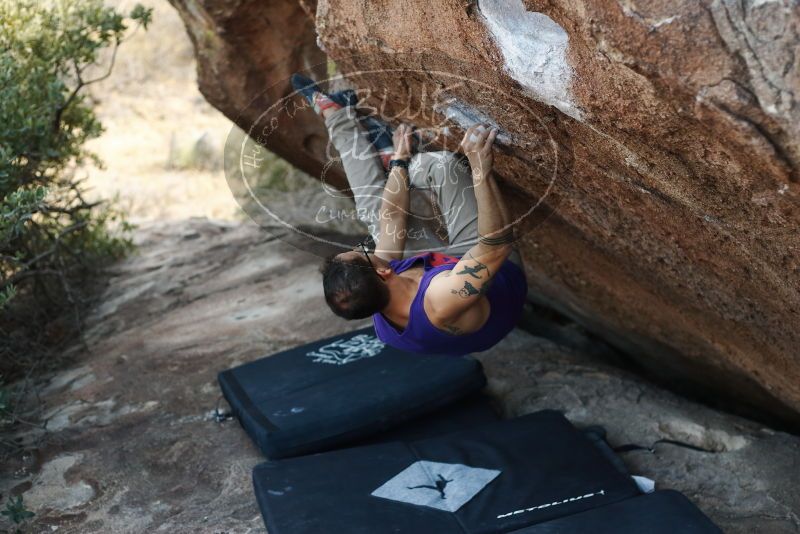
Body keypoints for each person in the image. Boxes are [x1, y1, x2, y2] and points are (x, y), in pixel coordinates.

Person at [292, 74, 527, 355]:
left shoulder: (375, 289)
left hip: (442, 270)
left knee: (374, 214)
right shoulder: (440, 300)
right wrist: (480, 168)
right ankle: (413, 164)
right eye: (360, 252)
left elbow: (390, 216)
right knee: (442, 167)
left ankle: (338, 115)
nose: (362, 247)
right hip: (494, 265)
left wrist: (400, 161)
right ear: (382, 271)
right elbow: (495, 246)